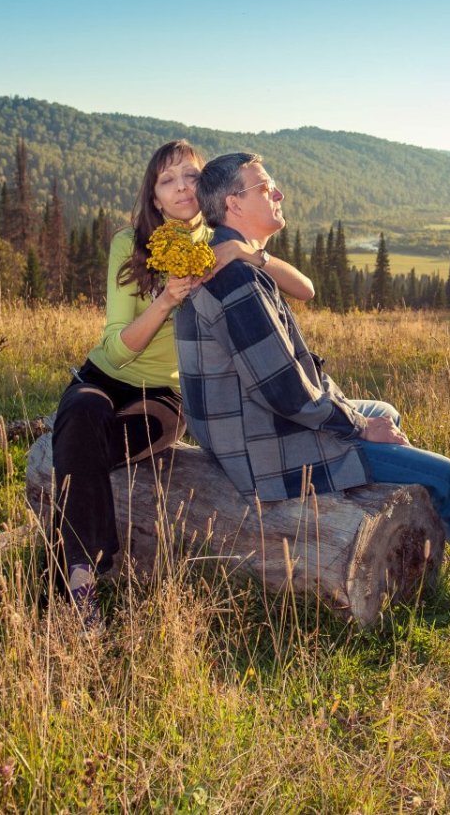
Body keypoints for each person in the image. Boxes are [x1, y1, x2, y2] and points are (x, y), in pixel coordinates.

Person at [174, 152, 450, 618]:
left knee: (384, 412)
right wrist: (359, 427)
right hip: (264, 449)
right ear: (233, 204)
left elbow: (287, 366)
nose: (279, 194)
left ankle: (383, 505)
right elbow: (288, 394)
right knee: (442, 473)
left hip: (251, 431)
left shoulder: (235, 261)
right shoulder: (237, 280)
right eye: (265, 187)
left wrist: (364, 419)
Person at [50, 139, 314, 627]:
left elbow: (305, 289)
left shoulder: (219, 244)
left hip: (167, 399)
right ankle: (83, 586)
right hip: (104, 378)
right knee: (82, 415)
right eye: (167, 180)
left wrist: (247, 253)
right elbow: (115, 346)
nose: (181, 188)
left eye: (190, 176)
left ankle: (60, 579)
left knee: (76, 450)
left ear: (205, 184)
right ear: (153, 197)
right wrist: (166, 300)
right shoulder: (128, 244)